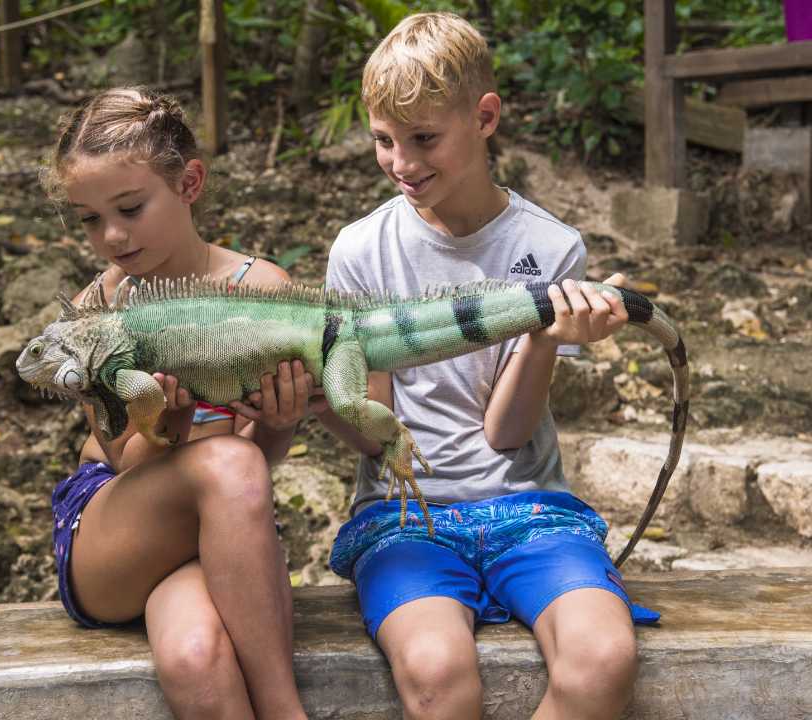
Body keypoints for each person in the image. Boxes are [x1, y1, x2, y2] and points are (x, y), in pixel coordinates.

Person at [316, 13, 658, 720]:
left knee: (603, 658)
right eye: (384, 140)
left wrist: (541, 334)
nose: (402, 163)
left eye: (424, 139)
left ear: (485, 117)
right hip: (405, 514)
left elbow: (506, 436)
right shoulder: (361, 250)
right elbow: (375, 436)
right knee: (437, 674)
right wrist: (321, 398)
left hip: (529, 507)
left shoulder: (550, 246)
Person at [41, 86, 313, 720]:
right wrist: (173, 419)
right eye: (88, 218)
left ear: (189, 183)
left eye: (130, 208)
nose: (110, 235)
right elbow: (127, 459)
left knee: (195, 657)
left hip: (219, 529)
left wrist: (281, 423)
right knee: (226, 462)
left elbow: (256, 467)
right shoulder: (98, 311)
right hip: (119, 526)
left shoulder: (261, 290)